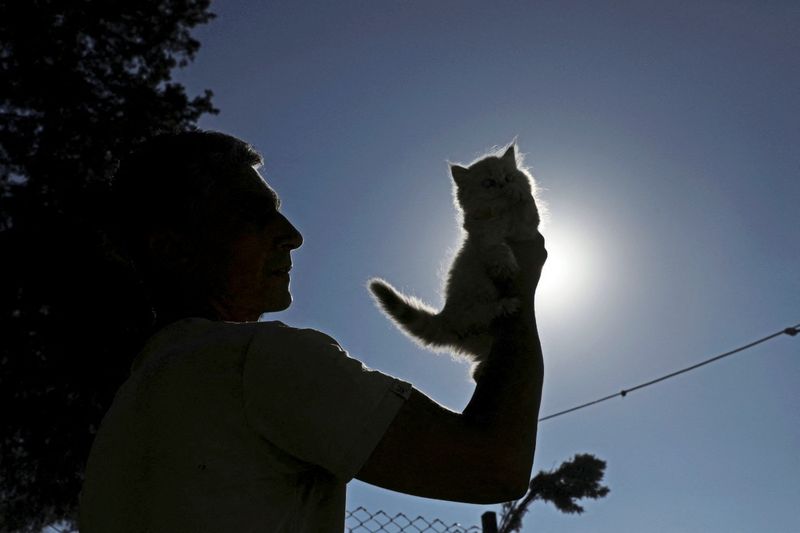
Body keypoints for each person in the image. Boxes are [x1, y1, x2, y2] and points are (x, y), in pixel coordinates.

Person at [78, 131, 547, 532]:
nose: (292, 233)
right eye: (256, 214)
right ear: (173, 248)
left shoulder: (121, 424)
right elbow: (493, 466)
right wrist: (517, 298)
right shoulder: (259, 362)